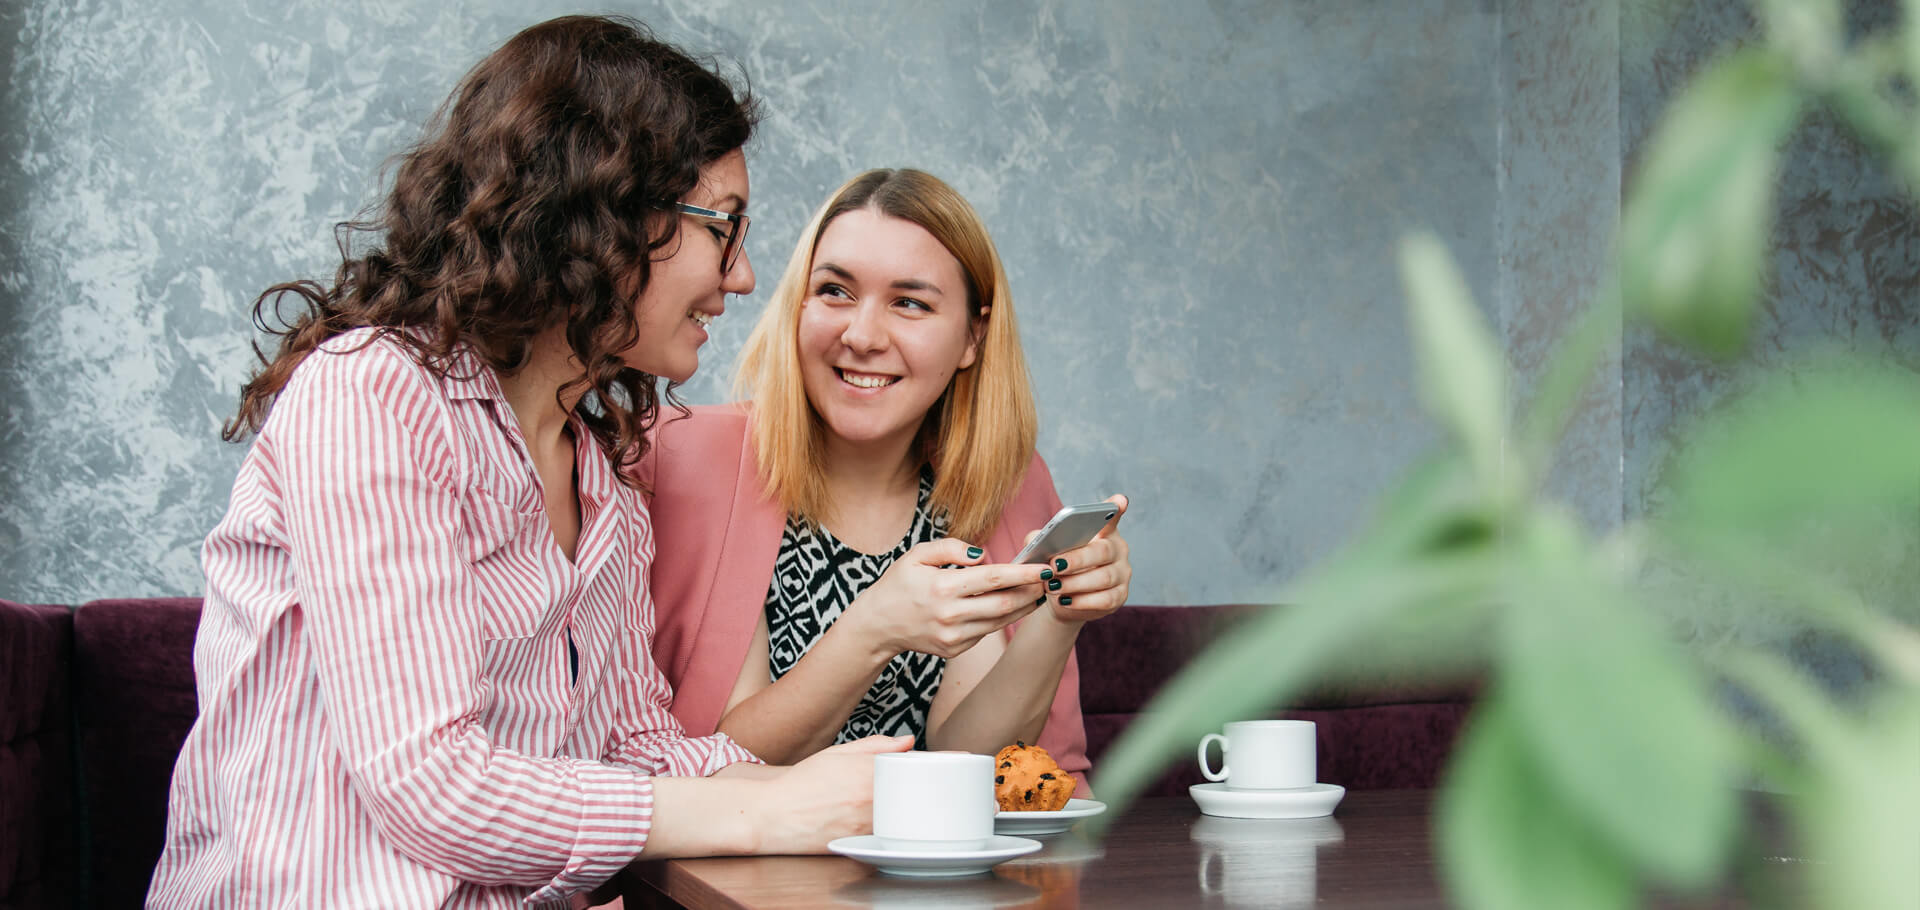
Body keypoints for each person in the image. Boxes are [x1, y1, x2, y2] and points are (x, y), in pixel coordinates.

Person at [148, 17, 907, 909]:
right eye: (723, 228)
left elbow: (637, 753)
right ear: (602, 213)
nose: (742, 278)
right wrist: (762, 817)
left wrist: (841, 792)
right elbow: (431, 784)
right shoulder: (371, 397)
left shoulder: (601, 480)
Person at [642, 169, 1133, 783]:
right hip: (739, 873)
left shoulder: (1007, 484)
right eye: (835, 292)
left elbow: (969, 760)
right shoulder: (687, 459)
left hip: (934, 874)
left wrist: (1059, 618)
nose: (862, 335)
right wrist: (875, 627)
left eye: (910, 303)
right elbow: (722, 764)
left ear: (972, 337)